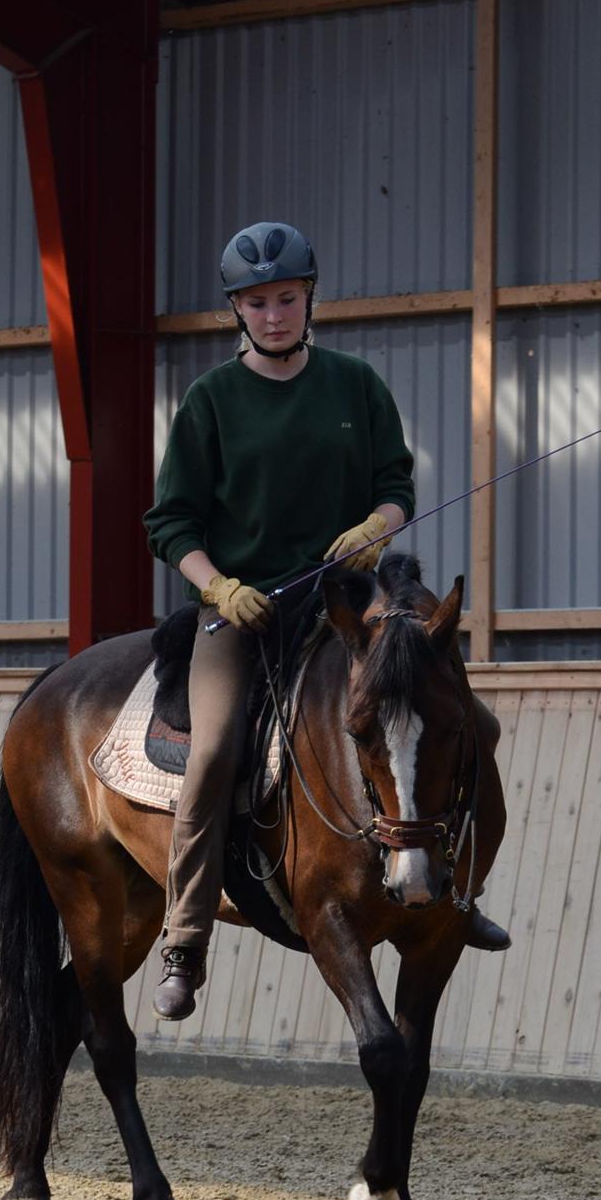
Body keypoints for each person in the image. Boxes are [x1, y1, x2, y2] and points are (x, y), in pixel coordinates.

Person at [144, 221, 508, 1022]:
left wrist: (378, 525)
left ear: (309, 298)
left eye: (285, 298)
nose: (273, 314)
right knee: (210, 753)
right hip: (246, 611)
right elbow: (171, 525)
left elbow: (395, 485)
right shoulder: (210, 401)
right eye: (257, 302)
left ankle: (459, 889)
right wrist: (218, 587)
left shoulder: (356, 385)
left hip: (349, 599)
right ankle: (185, 936)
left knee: (468, 718)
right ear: (237, 311)